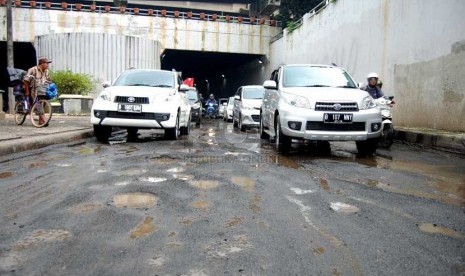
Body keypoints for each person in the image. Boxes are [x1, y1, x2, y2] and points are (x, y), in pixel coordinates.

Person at [24, 57, 52, 126]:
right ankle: (44, 120)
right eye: (46, 63)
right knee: (38, 103)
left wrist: (50, 83)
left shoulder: (46, 71)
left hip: (43, 89)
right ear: (41, 63)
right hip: (34, 89)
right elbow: (25, 80)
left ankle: (41, 121)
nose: (48, 65)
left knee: (43, 103)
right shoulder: (33, 70)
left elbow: (48, 79)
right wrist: (27, 91)